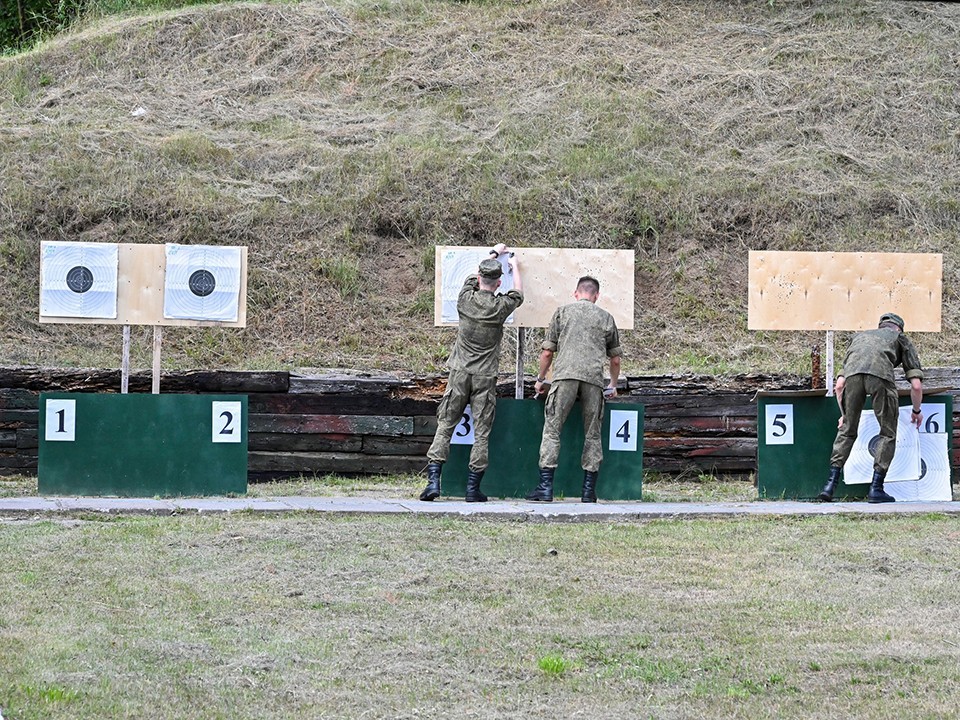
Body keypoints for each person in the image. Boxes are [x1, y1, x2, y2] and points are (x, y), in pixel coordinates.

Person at [419, 244, 523, 502]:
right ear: (499, 283)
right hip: (485, 376)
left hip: (459, 372)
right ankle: (472, 488)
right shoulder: (500, 307)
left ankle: (433, 482)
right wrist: (516, 267)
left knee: (446, 424)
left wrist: (493, 254)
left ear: (479, 280)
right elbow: (518, 295)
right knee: (482, 431)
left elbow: (470, 278)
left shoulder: (465, 299)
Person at [525, 275, 621, 503]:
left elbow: (548, 352)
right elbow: (615, 360)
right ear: (596, 296)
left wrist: (540, 379)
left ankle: (546, 488)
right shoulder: (606, 318)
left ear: (576, 293)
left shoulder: (562, 312)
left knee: (552, 430)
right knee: (593, 434)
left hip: (565, 376)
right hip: (593, 380)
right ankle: (588, 492)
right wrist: (613, 385)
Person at [818, 312, 924, 503]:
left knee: (847, 431)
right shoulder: (899, 338)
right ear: (898, 328)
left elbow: (839, 386)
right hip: (881, 377)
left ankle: (829, 486)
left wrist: (844, 415)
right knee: (887, 433)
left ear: (880, 326)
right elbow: (916, 385)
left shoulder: (859, 338)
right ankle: (876, 489)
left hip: (852, 378)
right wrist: (916, 411)